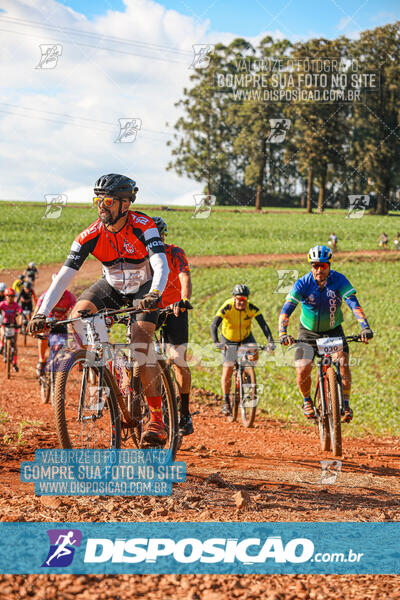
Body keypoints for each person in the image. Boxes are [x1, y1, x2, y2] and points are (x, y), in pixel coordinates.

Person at [28, 173, 170, 446]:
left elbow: (161, 264)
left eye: (107, 200)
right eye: (97, 200)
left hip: (144, 288)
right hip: (112, 287)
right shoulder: (89, 235)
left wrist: (155, 294)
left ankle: (156, 418)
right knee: (78, 314)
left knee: (141, 344)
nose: (101, 206)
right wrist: (41, 313)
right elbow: (63, 278)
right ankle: (109, 368)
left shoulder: (144, 225)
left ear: (125, 204)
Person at [279, 245, 373, 423]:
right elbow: (286, 309)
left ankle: (345, 403)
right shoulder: (302, 283)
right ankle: (307, 401)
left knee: (342, 362)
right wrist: (283, 332)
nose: (319, 269)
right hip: (307, 333)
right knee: (303, 369)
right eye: (315, 265)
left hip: (332, 331)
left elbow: (354, 304)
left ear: (329, 265)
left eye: (323, 266)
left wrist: (365, 327)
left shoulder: (339, 280)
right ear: (311, 266)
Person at [152, 216, 193, 436]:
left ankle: (184, 411)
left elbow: (184, 276)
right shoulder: (139, 255)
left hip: (173, 309)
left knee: (177, 358)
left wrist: (183, 300)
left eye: (159, 236)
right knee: (138, 356)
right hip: (148, 310)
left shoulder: (174, 252)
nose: (155, 240)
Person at [211, 284, 274, 415]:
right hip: (228, 339)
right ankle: (226, 402)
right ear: (234, 298)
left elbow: (264, 325)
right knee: (228, 369)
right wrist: (216, 342)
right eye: (239, 299)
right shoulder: (227, 306)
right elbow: (214, 324)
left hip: (245, 337)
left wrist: (270, 341)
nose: (241, 302)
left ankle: (249, 376)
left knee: (255, 351)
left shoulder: (251, 308)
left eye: (244, 299)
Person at [33, 278, 76, 376]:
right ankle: (41, 360)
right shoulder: (47, 294)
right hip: (47, 324)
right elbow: (37, 308)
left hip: (61, 324)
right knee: (42, 336)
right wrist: (34, 322)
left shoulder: (69, 297)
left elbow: (75, 310)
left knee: (63, 346)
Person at [0, 288, 22, 371]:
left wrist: (21, 320)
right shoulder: (2, 304)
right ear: (6, 296)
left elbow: (20, 312)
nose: (11, 298)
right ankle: (2, 346)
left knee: (15, 344)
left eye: (12, 296)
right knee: (2, 334)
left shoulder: (16, 305)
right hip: (4, 323)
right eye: (9, 296)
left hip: (13, 324)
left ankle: (15, 363)